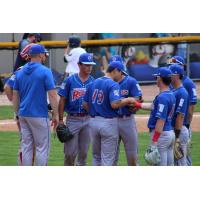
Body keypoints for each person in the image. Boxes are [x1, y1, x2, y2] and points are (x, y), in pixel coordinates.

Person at [83, 61, 137, 166]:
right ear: (115, 70)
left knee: (96, 157)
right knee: (107, 159)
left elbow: (85, 104)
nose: (122, 76)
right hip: (108, 123)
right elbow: (115, 104)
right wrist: (128, 99)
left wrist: (95, 111)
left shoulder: (93, 82)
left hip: (93, 122)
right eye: (121, 73)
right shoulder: (113, 84)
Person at [12, 44, 58, 166]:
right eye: (44, 54)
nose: (45, 56)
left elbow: (15, 95)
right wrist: (56, 115)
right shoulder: (45, 71)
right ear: (39, 55)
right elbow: (52, 95)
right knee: (42, 148)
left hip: (23, 114)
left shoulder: (20, 72)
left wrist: (17, 114)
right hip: (39, 115)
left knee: (27, 148)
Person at [58, 53, 95, 166]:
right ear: (79, 65)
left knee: (83, 153)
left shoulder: (94, 81)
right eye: (86, 65)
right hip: (73, 120)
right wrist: (60, 120)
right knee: (69, 153)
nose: (89, 67)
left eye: (91, 65)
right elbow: (62, 99)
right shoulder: (70, 80)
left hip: (88, 120)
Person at [133, 67, 176, 166]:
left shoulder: (163, 97)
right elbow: (153, 106)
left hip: (162, 136)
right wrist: (137, 105)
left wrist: (154, 141)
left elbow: (160, 121)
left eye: (156, 77)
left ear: (160, 79)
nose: (156, 79)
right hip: (170, 134)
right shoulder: (170, 94)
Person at [109, 55, 143, 166]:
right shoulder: (107, 83)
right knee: (111, 158)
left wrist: (126, 103)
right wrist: (125, 101)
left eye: (114, 69)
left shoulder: (131, 81)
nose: (112, 71)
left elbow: (138, 98)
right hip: (111, 121)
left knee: (132, 158)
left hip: (127, 121)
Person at [168, 55, 198, 165]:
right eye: (170, 65)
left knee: (184, 157)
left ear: (182, 67)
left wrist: (187, 126)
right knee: (176, 156)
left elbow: (191, 107)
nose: (171, 68)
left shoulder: (188, 84)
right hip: (174, 125)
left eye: (174, 65)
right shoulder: (171, 83)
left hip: (183, 125)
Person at [169, 64, 189, 166]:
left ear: (176, 76)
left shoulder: (182, 92)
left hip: (179, 131)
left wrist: (177, 137)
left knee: (180, 164)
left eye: (170, 74)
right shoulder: (173, 91)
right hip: (175, 131)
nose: (168, 76)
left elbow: (180, 116)